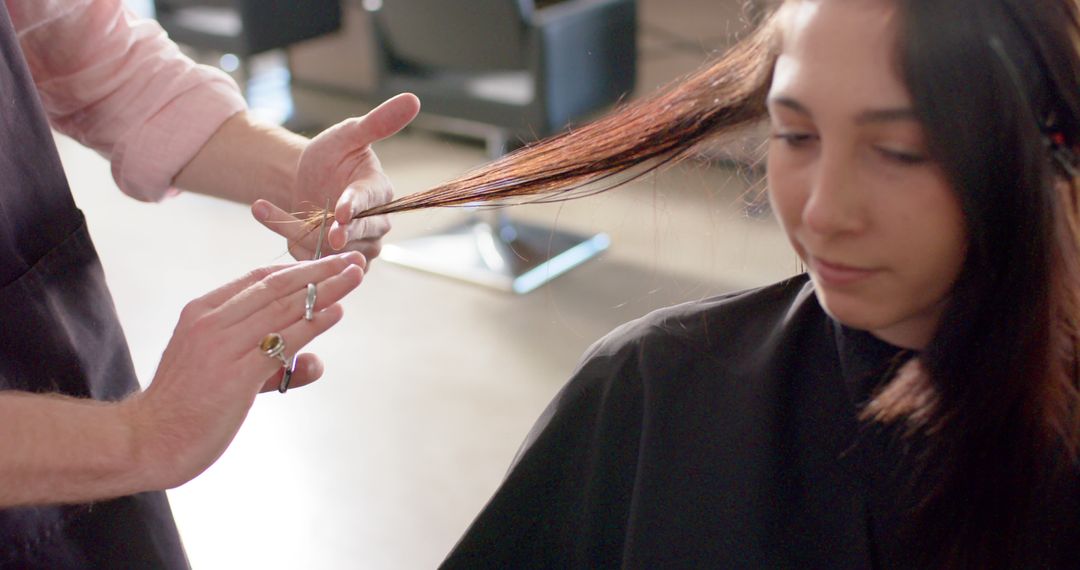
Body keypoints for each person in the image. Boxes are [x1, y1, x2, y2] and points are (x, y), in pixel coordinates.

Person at [387, 0, 1077, 567]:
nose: (823, 212)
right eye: (795, 135)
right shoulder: (653, 391)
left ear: (1044, 150)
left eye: (898, 152)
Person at [0, 0, 417, 566]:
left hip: (62, 365)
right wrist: (140, 437)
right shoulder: (140, 438)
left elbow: (97, 64)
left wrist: (301, 177)